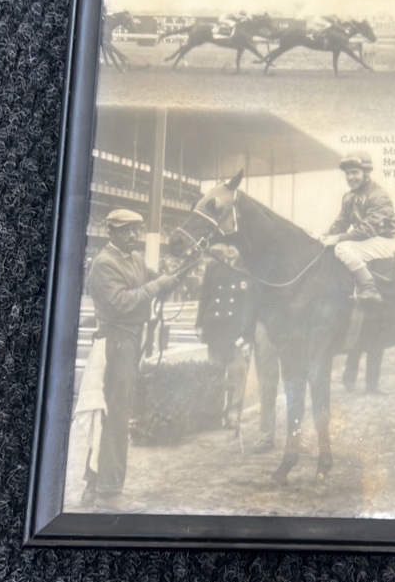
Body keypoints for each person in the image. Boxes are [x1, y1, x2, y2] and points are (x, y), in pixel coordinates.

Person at [84, 209, 178, 496]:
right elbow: (121, 303)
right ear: (110, 232)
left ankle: (92, 488)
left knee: (112, 412)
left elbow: (157, 283)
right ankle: (109, 492)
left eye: (137, 229)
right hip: (115, 343)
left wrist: (177, 273)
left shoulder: (135, 259)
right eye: (126, 230)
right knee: (115, 415)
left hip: (130, 341)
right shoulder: (104, 263)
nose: (133, 235)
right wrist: (157, 285)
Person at [196, 246, 280, 451]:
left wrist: (249, 286)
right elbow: (204, 295)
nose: (231, 251)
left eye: (234, 247)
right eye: (227, 247)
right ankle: (215, 415)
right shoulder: (213, 265)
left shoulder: (249, 265)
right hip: (215, 325)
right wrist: (199, 323)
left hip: (237, 328)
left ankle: (233, 414)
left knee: (238, 374)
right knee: (214, 372)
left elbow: (258, 296)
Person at [320, 151, 395, 303]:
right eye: (347, 173)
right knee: (331, 244)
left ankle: (369, 289)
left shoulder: (378, 195)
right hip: (367, 240)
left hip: (384, 240)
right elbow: (341, 223)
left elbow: (368, 229)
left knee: (342, 248)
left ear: (367, 172)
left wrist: (337, 238)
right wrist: (325, 235)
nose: (350, 177)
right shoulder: (349, 196)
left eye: (355, 172)